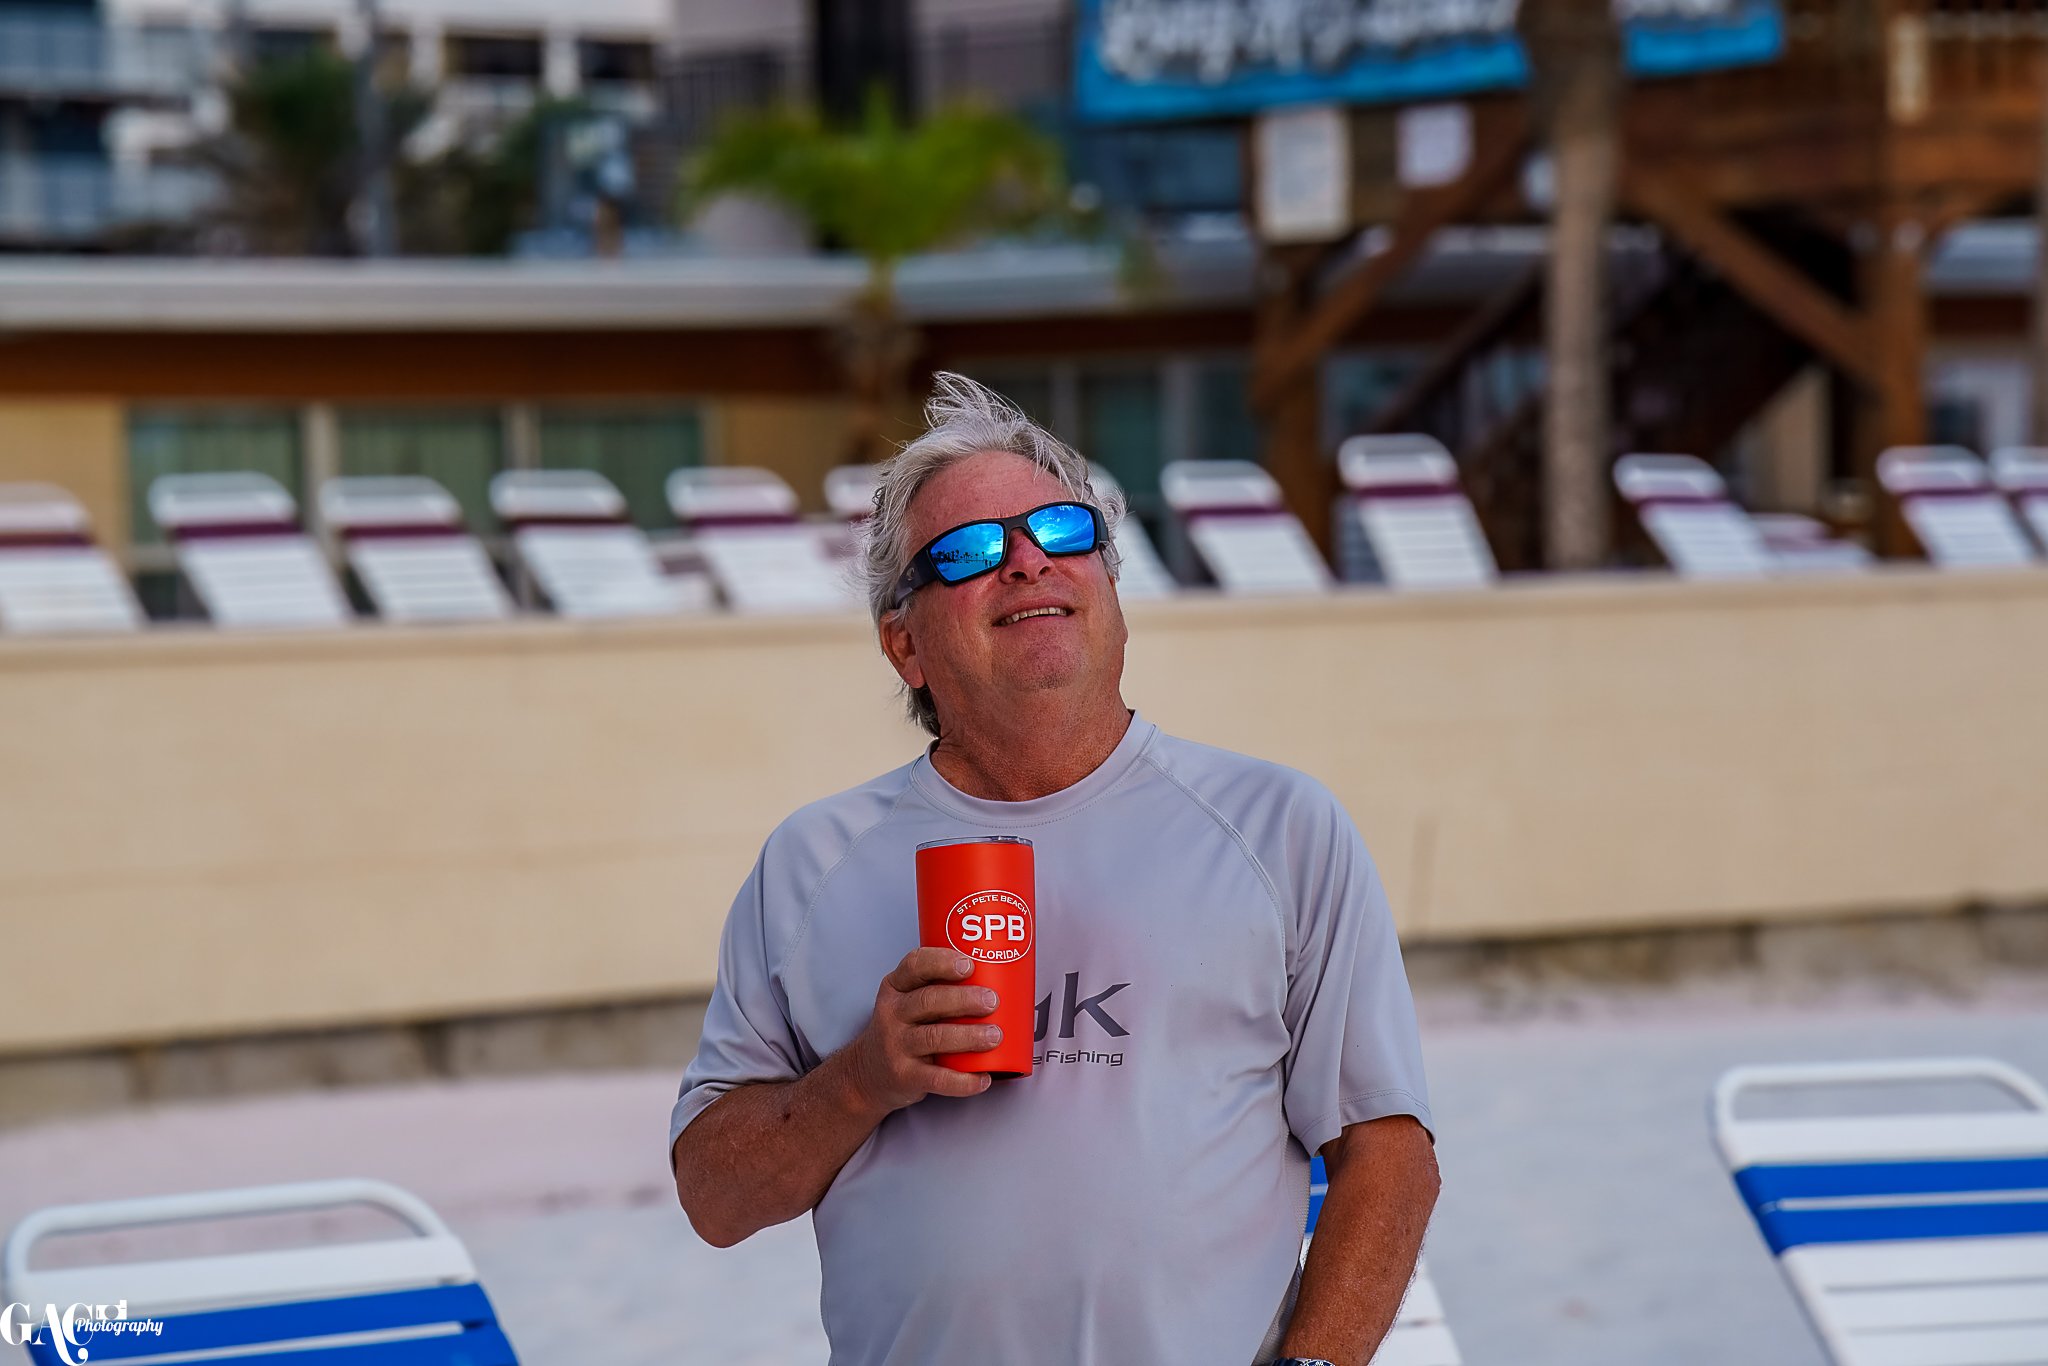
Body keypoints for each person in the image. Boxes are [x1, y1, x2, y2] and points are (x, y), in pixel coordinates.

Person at [669, 373, 1439, 1366]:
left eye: (1062, 532)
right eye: (969, 552)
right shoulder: (811, 863)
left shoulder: (1276, 826)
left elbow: (1387, 1150)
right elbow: (713, 1199)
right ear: (903, 643)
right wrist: (859, 1080)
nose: (1026, 562)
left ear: (1111, 590)